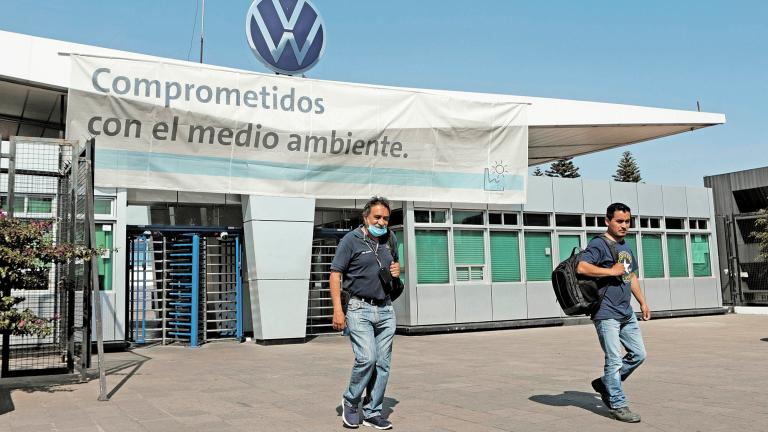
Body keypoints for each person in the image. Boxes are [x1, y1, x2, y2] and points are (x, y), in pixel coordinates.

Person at [330, 196, 400, 430]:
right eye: (377, 217)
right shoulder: (351, 240)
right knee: (367, 358)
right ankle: (351, 401)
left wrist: (397, 271)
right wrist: (338, 311)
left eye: (386, 218)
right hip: (359, 308)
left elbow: (393, 269)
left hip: (386, 309)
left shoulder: (391, 239)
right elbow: (335, 275)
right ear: (366, 217)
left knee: (383, 363)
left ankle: (372, 411)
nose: (382, 222)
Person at [577, 202, 650, 423]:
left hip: (626, 312)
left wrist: (643, 303)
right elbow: (582, 267)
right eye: (619, 221)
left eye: (627, 221)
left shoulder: (625, 247)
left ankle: (604, 383)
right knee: (614, 360)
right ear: (607, 221)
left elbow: (632, 276)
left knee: (639, 355)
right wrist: (611, 271)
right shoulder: (599, 244)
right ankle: (617, 404)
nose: (624, 225)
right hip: (606, 312)